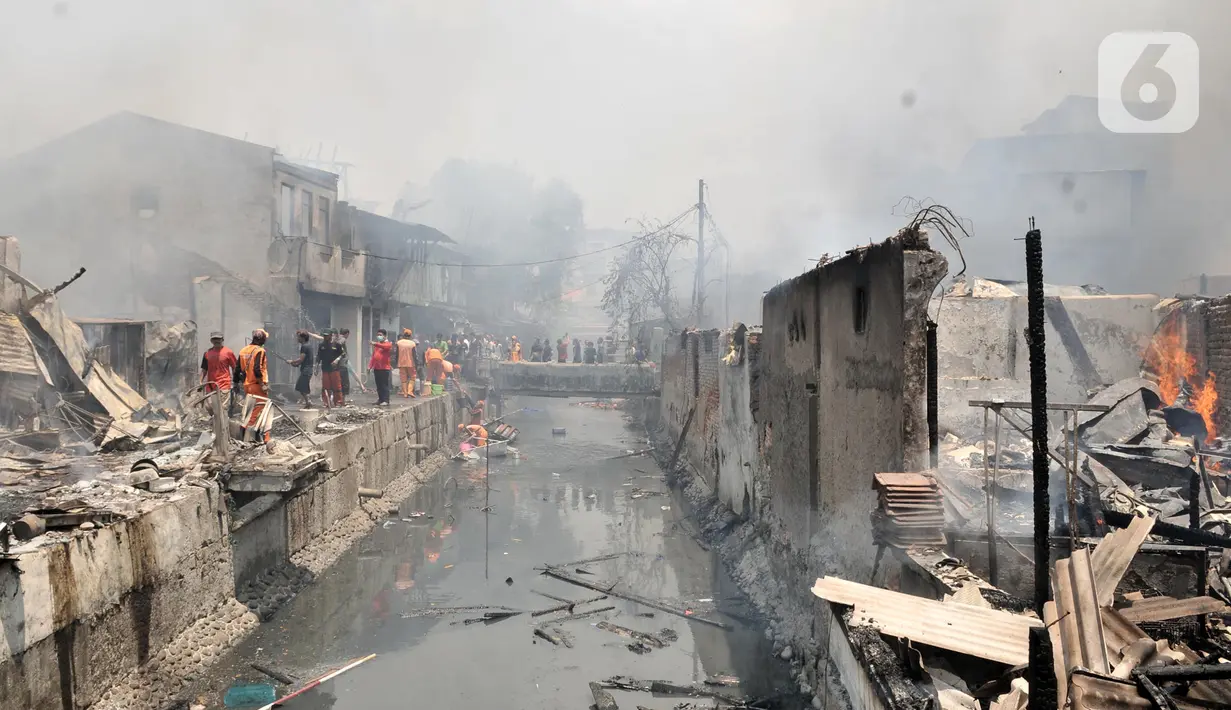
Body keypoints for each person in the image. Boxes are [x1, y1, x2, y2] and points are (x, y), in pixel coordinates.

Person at [237, 329, 272, 449]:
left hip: (247, 385)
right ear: (261, 339)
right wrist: (262, 384)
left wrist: (237, 383)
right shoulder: (260, 351)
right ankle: (249, 430)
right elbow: (257, 369)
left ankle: (252, 434)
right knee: (261, 410)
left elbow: (237, 369)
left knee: (250, 409)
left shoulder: (243, 350)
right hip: (257, 385)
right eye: (265, 338)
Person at [199, 331, 237, 411]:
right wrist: (200, 381)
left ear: (222, 339)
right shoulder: (207, 353)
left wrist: (235, 382)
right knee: (209, 407)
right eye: (214, 339)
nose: (216, 341)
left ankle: (223, 423)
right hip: (211, 385)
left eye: (218, 339)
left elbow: (234, 367)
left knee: (222, 408)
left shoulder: (228, 352)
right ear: (211, 341)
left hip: (224, 385)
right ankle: (215, 422)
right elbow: (204, 369)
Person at [284, 330, 314, 407]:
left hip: (306, 370)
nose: (297, 338)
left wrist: (291, 361)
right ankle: (308, 402)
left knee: (301, 387)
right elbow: (303, 360)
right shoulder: (308, 345)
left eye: (298, 337)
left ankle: (309, 402)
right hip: (307, 369)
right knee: (302, 387)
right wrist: (295, 364)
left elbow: (301, 359)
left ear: (303, 338)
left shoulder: (304, 346)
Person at [318, 330, 346, 407]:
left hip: (334, 369)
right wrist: (317, 367)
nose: (325, 337)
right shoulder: (321, 345)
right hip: (325, 368)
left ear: (331, 335)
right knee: (325, 387)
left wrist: (337, 359)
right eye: (324, 336)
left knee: (336, 387)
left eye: (327, 335)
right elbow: (319, 356)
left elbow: (343, 354)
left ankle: (338, 402)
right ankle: (326, 402)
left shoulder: (337, 344)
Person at [369, 329, 393, 406]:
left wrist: (375, 343)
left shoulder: (387, 344)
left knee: (384, 385)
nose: (378, 336)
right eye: (378, 335)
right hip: (377, 368)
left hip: (384, 368)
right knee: (378, 385)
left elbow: (386, 347)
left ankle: (386, 400)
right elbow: (373, 356)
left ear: (385, 336)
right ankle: (380, 399)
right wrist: (370, 366)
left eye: (380, 335)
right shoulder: (377, 345)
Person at [396, 329, 417, 398]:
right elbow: (414, 355)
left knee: (403, 378)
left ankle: (405, 393)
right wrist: (416, 363)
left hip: (401, 363)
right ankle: (410, 391)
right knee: (412, 377)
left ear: (404, 335)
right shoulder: (412, 343)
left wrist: (396, 362)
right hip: (410, 363)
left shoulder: (398, 343)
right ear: (410, 335)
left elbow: (397, 354)